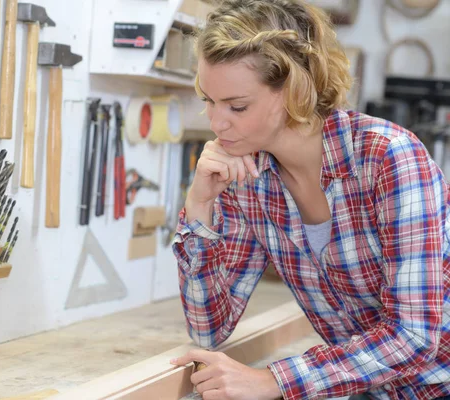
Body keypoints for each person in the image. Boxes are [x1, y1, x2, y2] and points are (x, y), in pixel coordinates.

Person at [169, 0, 450, 399]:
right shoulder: (248, 178)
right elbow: (208, 328)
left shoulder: (388, 157)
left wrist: (274, 381)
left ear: (295, 91)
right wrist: (199, 206)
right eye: (209, 101)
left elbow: (414, 336)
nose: (216, 123)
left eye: (237, 106)